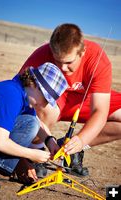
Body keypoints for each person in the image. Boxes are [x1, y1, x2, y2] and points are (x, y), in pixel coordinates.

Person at [19, 23, 121, 177]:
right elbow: (21, 97)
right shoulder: (41, 54)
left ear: (82, 52)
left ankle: (73, 150)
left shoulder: (97, 58)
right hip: (55, 100)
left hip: (86, 99)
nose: (62, 68)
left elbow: (100, 110)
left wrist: (81, 140)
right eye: (57, 61)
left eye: (68, 62)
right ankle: (34, 152)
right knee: (40, 105)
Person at [0, 62, 68, 188]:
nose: (44, 105)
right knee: (30, 123)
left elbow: (38, 123)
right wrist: (31, 154)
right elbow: (0, 143)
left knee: (31, 122)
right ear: (33, 83)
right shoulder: (12, 95)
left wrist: (50, 141)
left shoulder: (22, 93)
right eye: (46, 99)